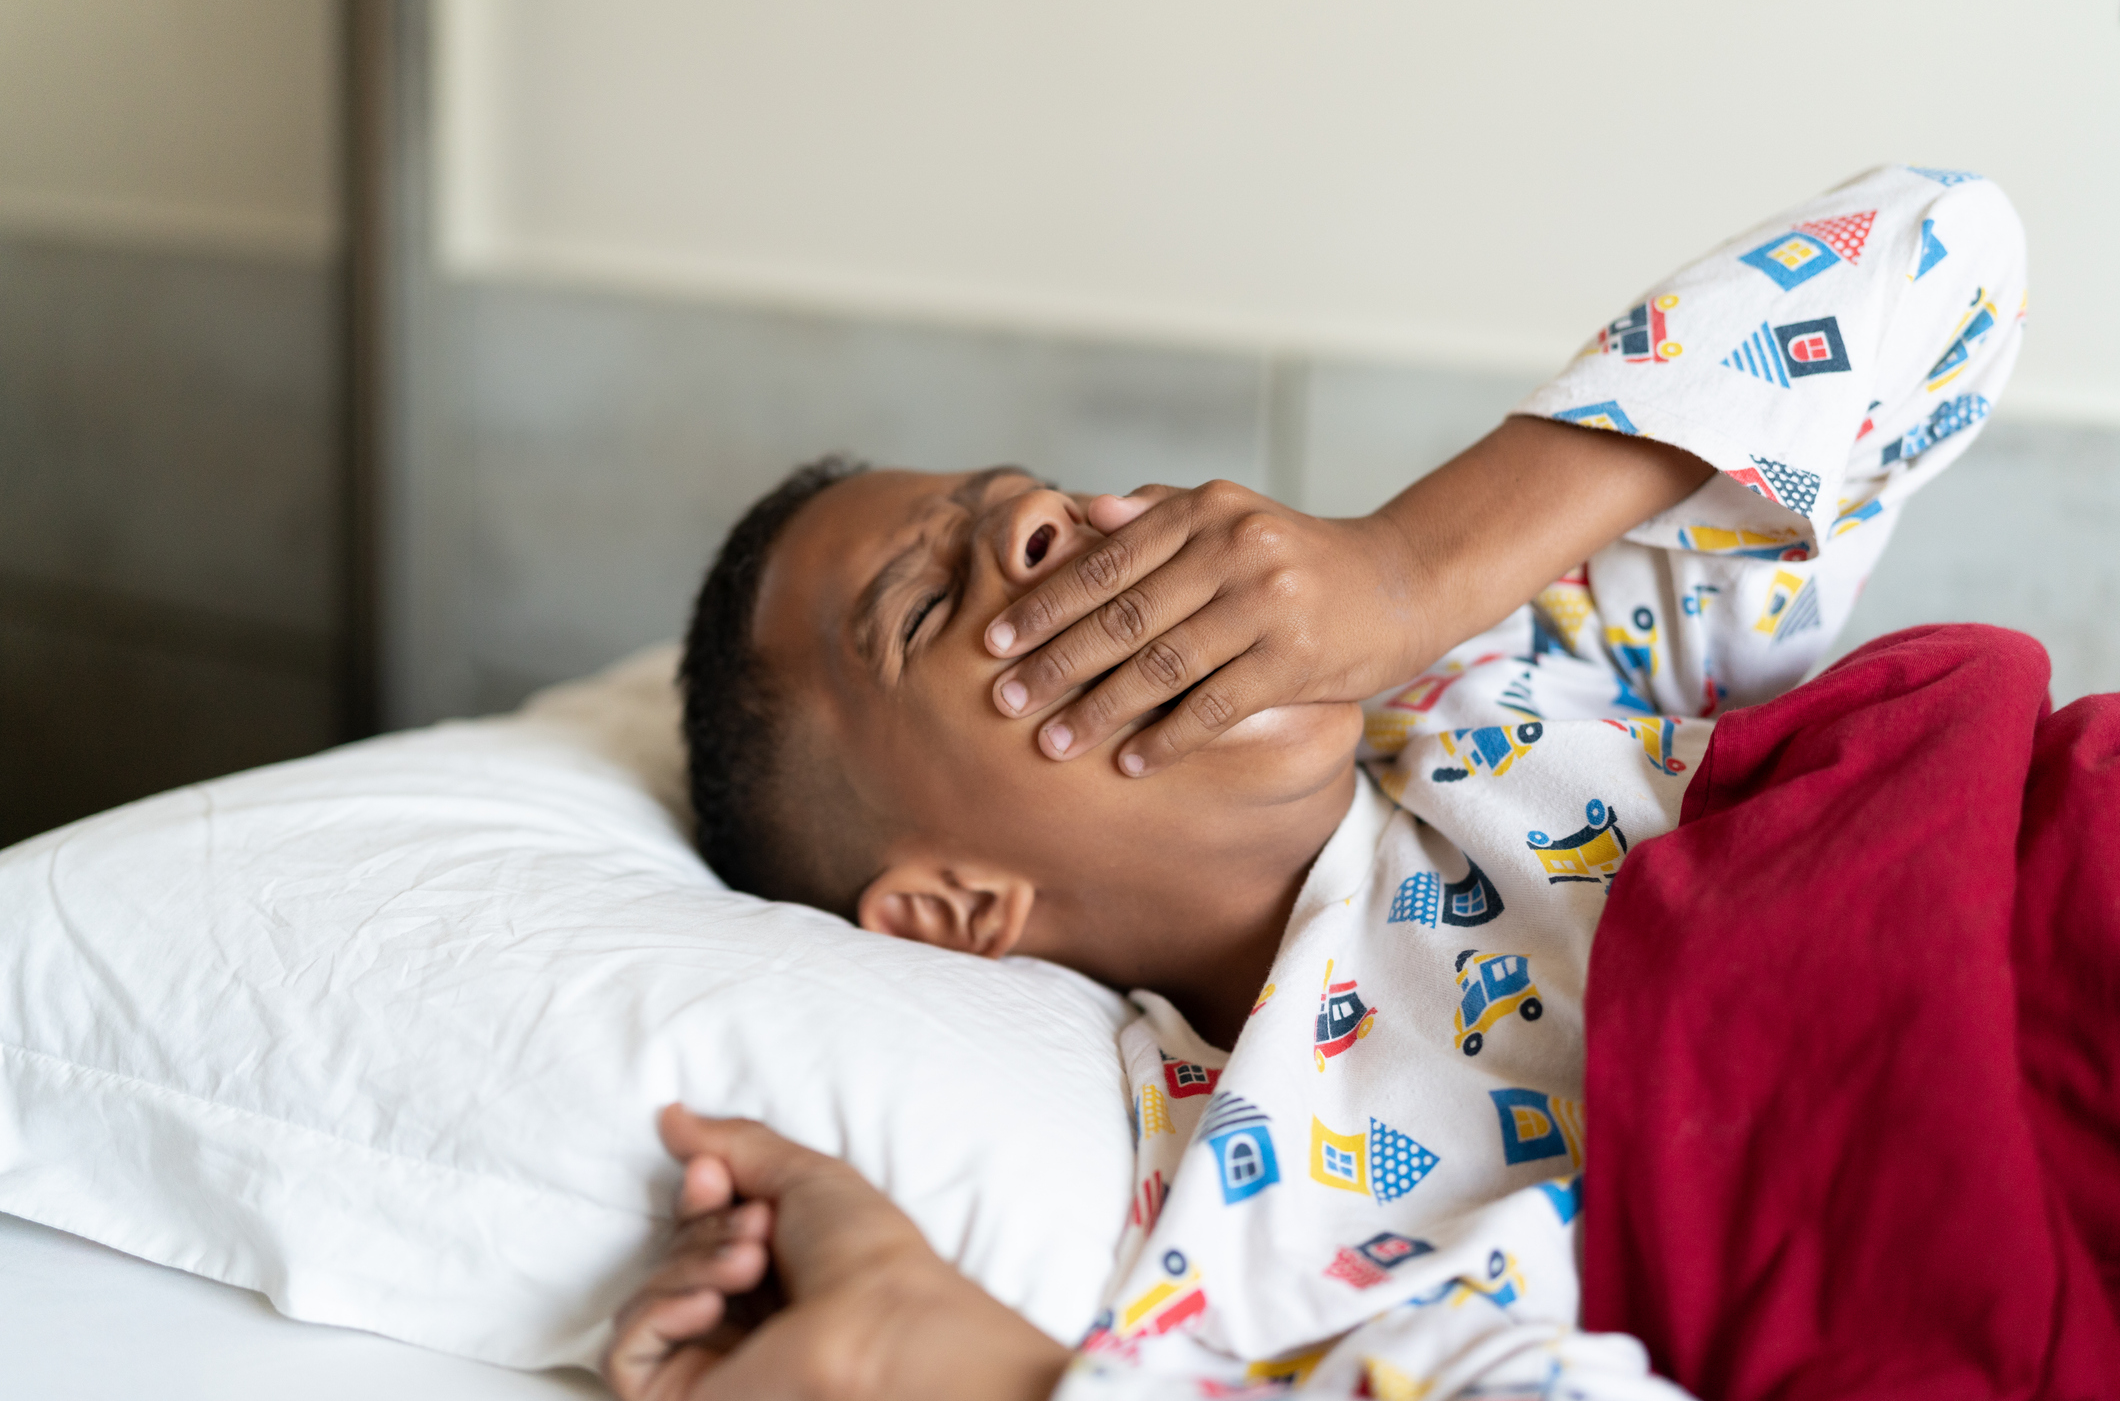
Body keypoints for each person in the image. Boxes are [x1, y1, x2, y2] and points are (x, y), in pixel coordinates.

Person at [615, 164, 2027, 1400]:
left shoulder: (1519, 669)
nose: (1048, 520)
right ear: (956, 907)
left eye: (1028, 494)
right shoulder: (1259, 1187)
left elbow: (1946, 255)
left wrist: (1417, 567)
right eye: (922, 609)